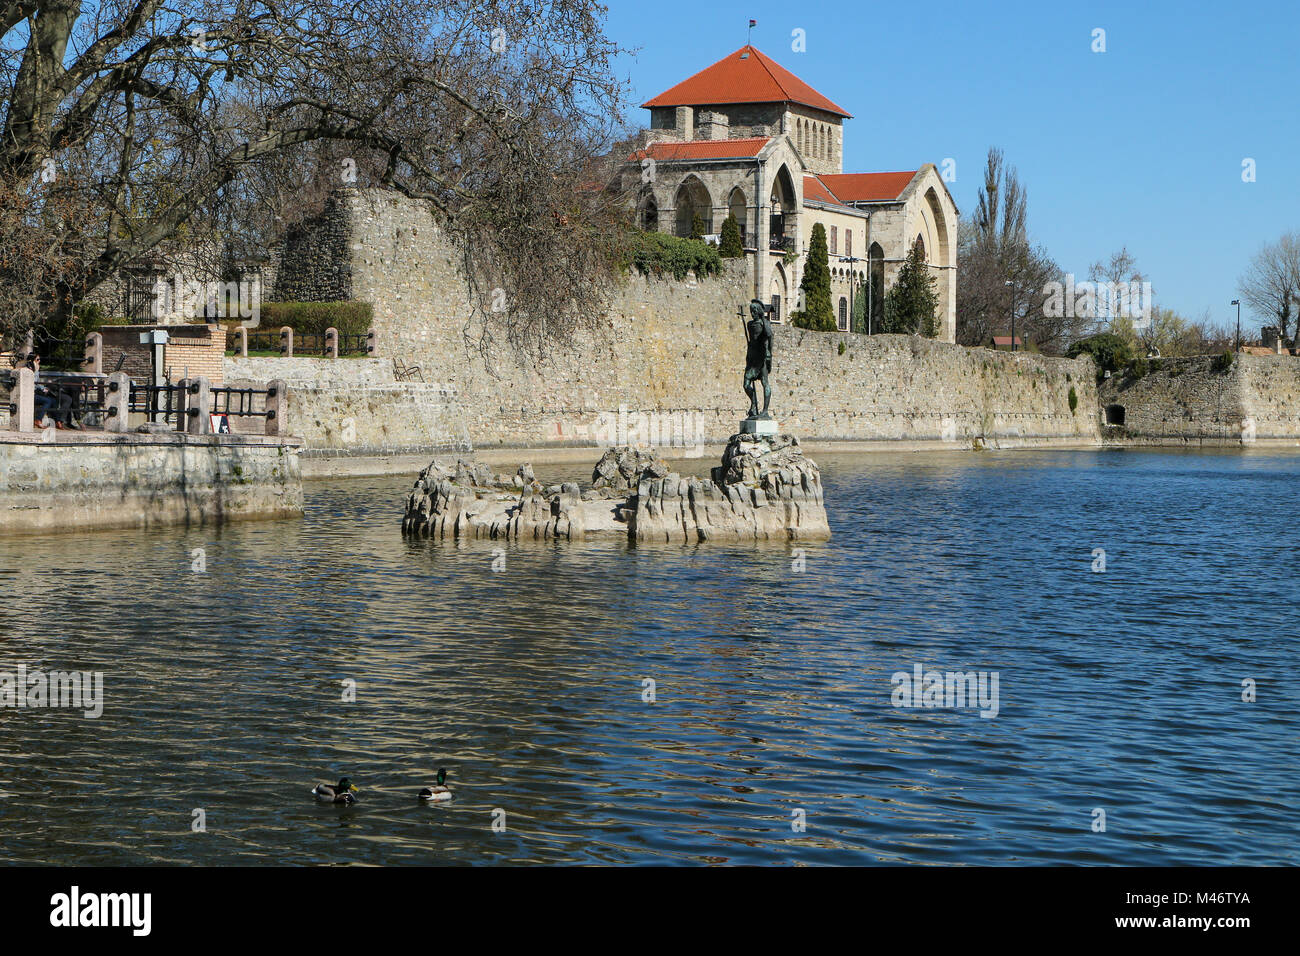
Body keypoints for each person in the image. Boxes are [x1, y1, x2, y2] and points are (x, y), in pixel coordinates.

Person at [27, 354, 77, 429]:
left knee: (53, 400)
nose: (39, 361)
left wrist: (44, 388)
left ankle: (57, 421)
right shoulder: (29, 369)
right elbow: (34, 382)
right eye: (37, 359)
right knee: (47, 401)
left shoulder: (35, 369)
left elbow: (37, 383)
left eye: (39, 359)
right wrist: (37, 372)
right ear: (32, 360)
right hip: (30, 394)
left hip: (36, 392)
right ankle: (38, 420)